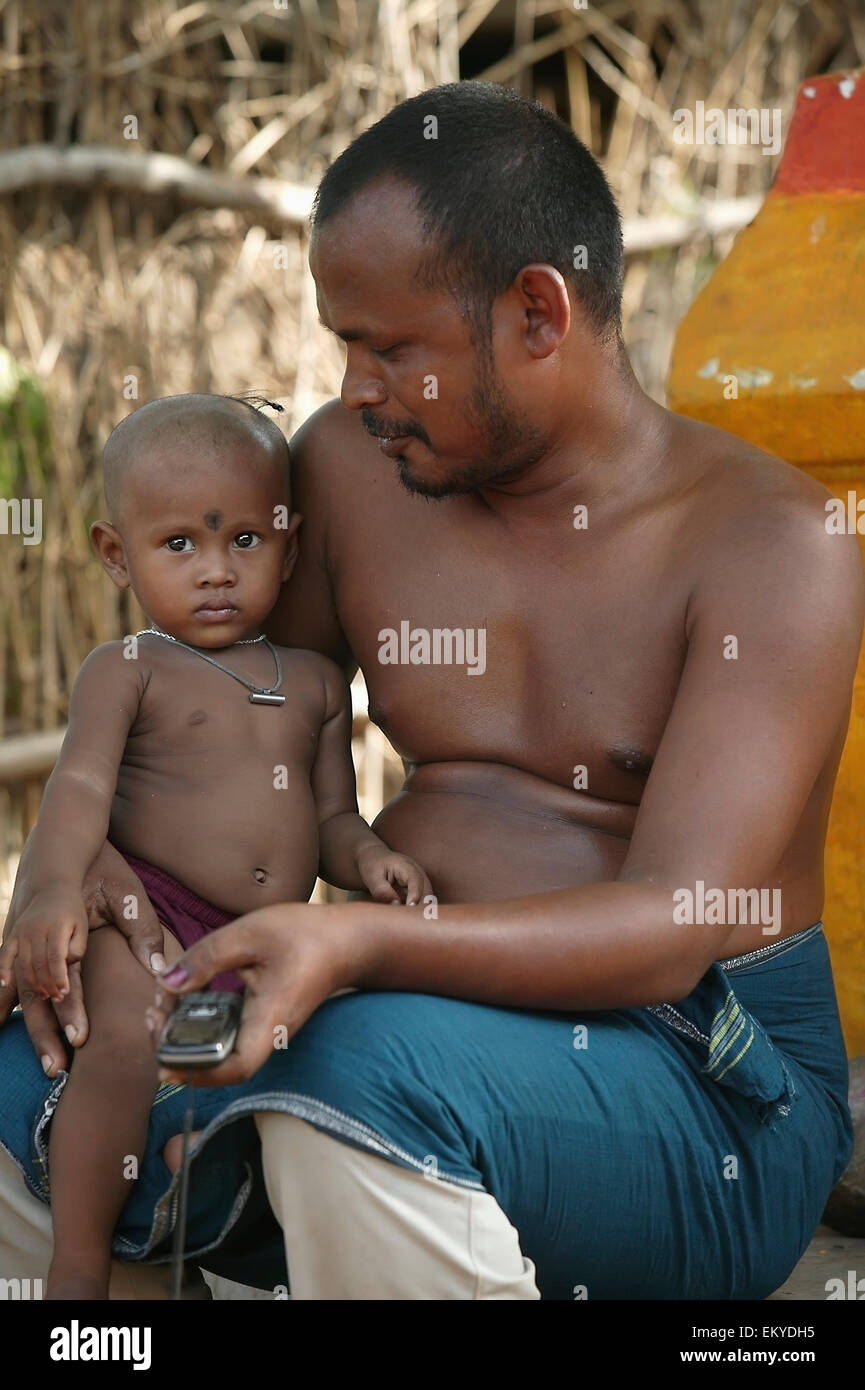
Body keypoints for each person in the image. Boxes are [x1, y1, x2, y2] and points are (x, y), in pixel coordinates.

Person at [1, 81, 862, 1300]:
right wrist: (92, 870)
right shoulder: (353, 472)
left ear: (536, 313)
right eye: (341, 341)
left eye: (392, 346)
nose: (354, 385)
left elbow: (681, 922)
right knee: (35, 1065)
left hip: (699, 1081)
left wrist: (358, 940)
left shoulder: (773, 543)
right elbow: (242, 740)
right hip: (393, 1022)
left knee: (347, 1074)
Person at [0, 392, 430, 1299]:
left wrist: (372, 862)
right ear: (116, 555)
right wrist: (46, 889)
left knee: (260, 1071)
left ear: (289, 541)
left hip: (265, 931)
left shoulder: (315, 685)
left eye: (244, 540)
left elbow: (332, 822)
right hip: (149, 918)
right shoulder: (127, 669)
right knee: (124, 1041)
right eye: (179, 545)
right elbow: (76, 792)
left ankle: (200, 1247)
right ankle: (80, 1256)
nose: (215, 571)